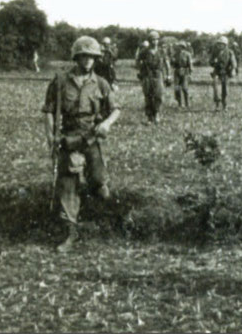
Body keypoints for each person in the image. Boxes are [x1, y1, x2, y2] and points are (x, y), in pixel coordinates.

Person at [42, 36, 120, 252]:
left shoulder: (101, 83)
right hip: (68, 139)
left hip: (92, 137)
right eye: (84, 56)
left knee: (99, 183)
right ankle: (70, 233)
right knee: (68, 186)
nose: (87, 61)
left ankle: (109, 223)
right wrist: (51, 137)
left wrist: (106, 124)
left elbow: (115, 109)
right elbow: (48, 111)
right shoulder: (60, 82)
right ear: (76, 57)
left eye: (92, 57)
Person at [137, 31, 170, 123]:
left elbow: (167, 63)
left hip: (158, 74)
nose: (154, 42)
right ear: (149, 41)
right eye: (152, 40)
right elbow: (138, 61)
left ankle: (157, 113)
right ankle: (149, 116)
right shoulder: (144, 52)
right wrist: (141, 70)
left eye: (156, 39)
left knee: (158, 95)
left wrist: (168, 75)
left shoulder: (161, 51)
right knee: (148, 96)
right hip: (148, 74)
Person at [210, 36, 237, 111]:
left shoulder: (230, 52)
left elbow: (233, 62)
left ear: (225, 45)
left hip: (225, 72)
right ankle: (217, 105)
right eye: (219, 44)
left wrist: (233, 69)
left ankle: (225, 105)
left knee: (225, 89)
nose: (220, 45)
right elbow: (210, 61)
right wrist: (213, 62)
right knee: (216, 88)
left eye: (222, 44)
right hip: (216, 72)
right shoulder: (215, 52)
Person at [172, 41, 194, 108]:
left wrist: (190, 73)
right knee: (177, 88)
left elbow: (190, 64)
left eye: (181, 46)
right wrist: (172, 61)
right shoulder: (175, 54)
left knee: (185, 88)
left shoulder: (187, 54)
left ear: (183, 47)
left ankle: (187, 103)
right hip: (177, 72)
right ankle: (179, 104)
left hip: (185, 72)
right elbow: (172, 64)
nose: (179, 48)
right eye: (178, 46)